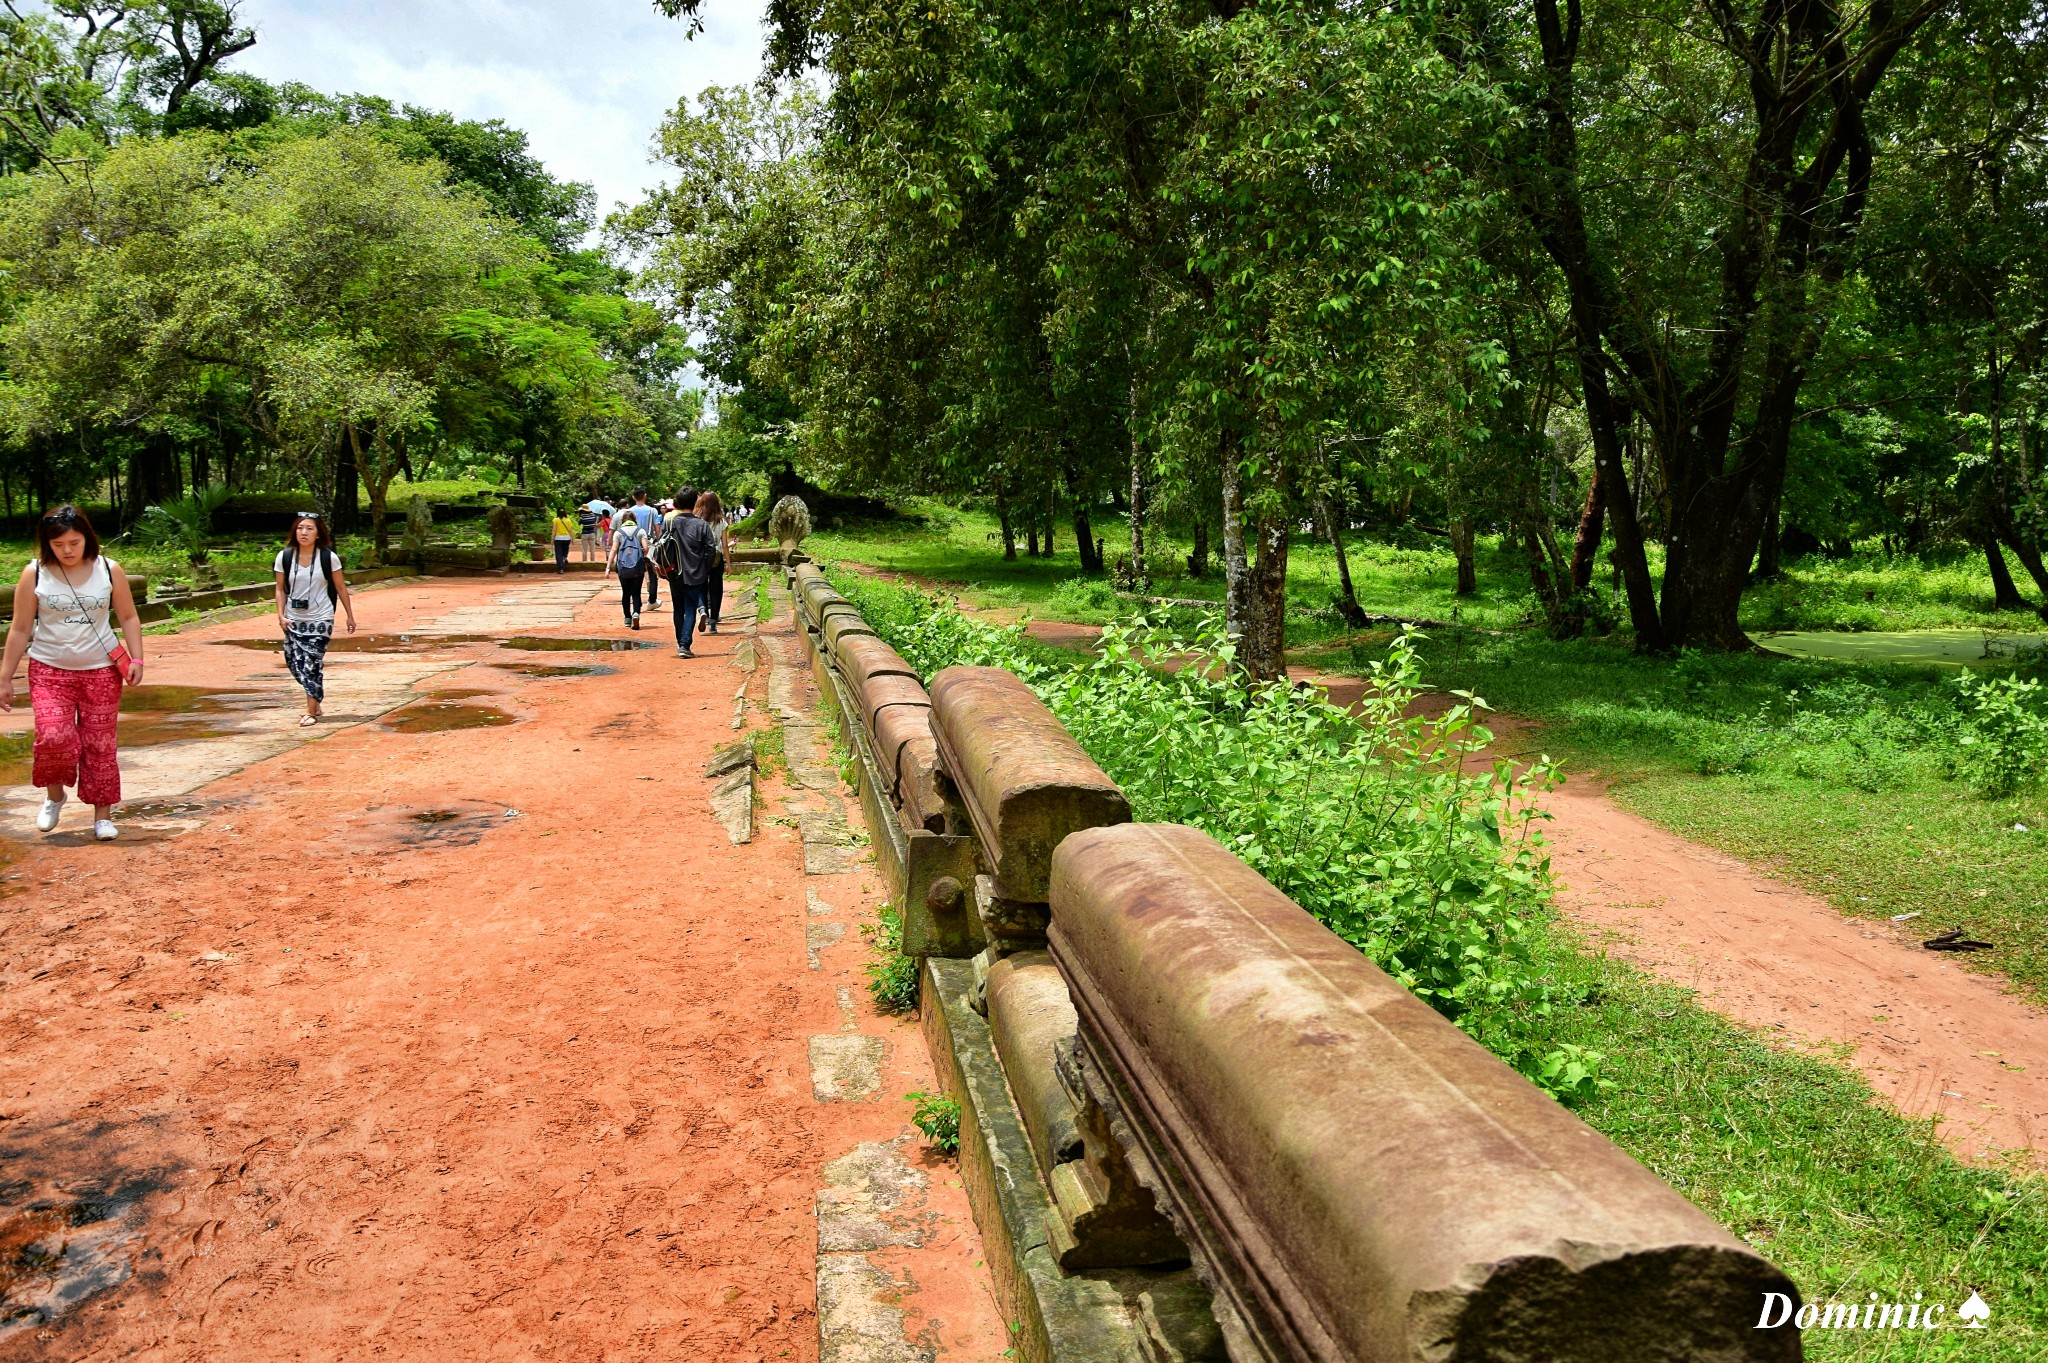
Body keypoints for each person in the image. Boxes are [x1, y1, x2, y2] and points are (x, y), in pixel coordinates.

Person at [0, 505, 145, 841]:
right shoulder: (34, 573)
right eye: (58, 544)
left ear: (87, 539)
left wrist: (136, 659)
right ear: (46, 544)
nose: (67, 550)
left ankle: (102, 814)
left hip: (101, 671)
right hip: (49, 670)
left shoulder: (109, 570)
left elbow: (128, 617)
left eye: (74, 542)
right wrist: (5, 678)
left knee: (100, 742)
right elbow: (20, 629)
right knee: (53, 737)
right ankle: (55, 796)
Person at [275, 513, 358, 726]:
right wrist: (281, 615)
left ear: (318, 533)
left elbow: (340, 587)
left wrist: (349, 615)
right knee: (294, 662)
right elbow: (279, 589)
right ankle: (315, 697)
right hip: (294, 619)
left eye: (310, 528)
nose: (304, 532)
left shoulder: (328, 557)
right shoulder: (284, 557)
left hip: (320, 619)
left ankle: (310, 711)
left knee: (311, 663)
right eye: (300, 528)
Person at [665, 489, 721, 658]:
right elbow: (711, 549)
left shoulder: (670, 523)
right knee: (690, 607)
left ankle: (680, 642)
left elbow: (661, 546)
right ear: (695, 502)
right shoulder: (701, 525)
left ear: (677, 503)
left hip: (674, 572)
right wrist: (704, 567)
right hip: (695, 572)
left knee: (678, 608)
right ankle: (684, 644)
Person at [607, 509, 651, 629]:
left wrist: (608, 567)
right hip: (637, 567)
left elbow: (614, 550)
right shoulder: (640, 531)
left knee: (626, 593)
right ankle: (636, 613)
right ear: (634, 520)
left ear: (622, 521)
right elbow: (646, 548)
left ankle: (627, 618)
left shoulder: (619, 533)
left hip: (623, 568)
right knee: (636, 593)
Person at [623, 487, 661, 609]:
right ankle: (652, 600)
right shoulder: (652, 511)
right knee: (653, 572)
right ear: (645, 495)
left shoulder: (629, 512)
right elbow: (657, 529)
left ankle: (634, 600)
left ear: (633, 497)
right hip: (649, 545)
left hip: (632, 544)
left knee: (634, 571)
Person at [699, 491, 730, 634]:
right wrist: (728, 564)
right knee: (716, 590)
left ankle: (704, 611)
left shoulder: (698, 519)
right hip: (717, 558)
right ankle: (713, 622)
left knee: (702, 586)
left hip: (701, 558)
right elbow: (724, 545)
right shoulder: (721, 521)